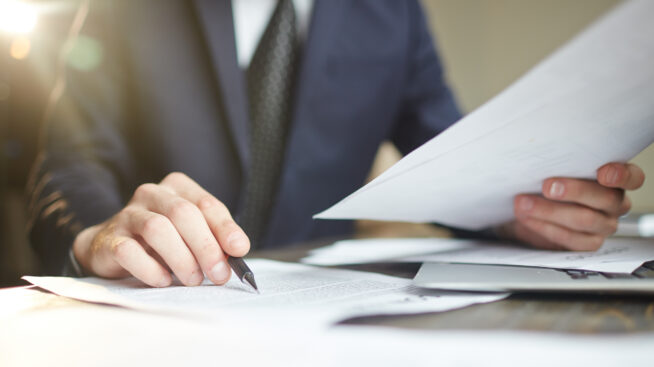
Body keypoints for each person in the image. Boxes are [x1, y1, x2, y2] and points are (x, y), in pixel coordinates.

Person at [27, 0, 645, 287]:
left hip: (320, 318)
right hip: (149, 313)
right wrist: (96, 234)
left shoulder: (394, 14)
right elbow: (67, 160)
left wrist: (526, 211)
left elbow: (452, 159)